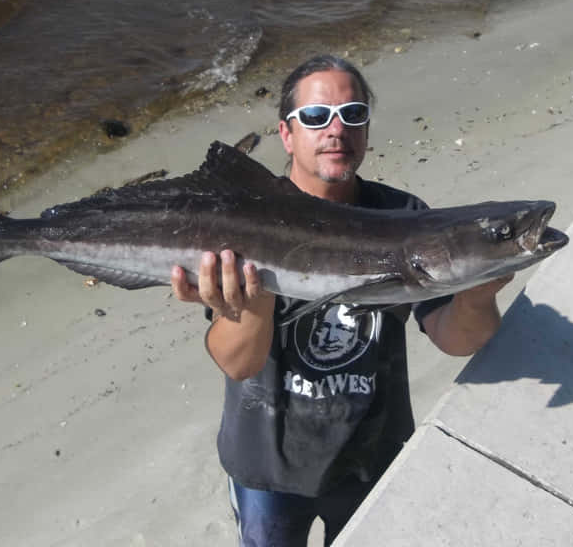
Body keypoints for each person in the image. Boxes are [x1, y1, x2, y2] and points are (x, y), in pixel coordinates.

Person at [171, 55, 512, 546]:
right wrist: (254, 301)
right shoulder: (242, 218)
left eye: (353, 114)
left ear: (367, 130)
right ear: (286, 134)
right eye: (315, 117)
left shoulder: (404, 216)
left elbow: (457, 340)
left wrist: (478, 295)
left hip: (371, 458)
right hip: (266, 468)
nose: (336, 129)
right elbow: (238, 363)